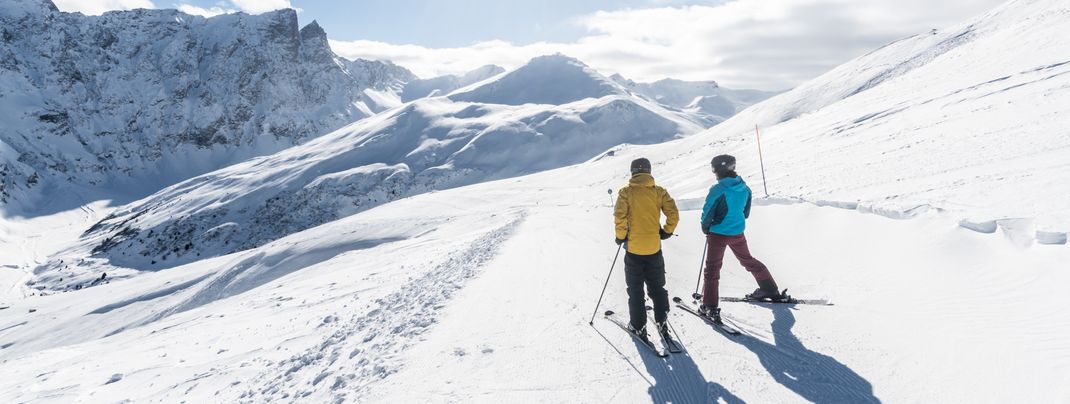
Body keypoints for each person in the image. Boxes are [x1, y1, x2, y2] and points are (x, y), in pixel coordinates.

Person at [698, 154, 783, 323]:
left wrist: (706, 227)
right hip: (737, 233)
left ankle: (709, 306)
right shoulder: (744, 187)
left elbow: (707, 212)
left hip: (718, 234)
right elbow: (746, 213)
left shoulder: (718, 189)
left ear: (717, 170)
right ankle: (770, 289)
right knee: (748, 260)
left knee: (712, 269)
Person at [613, 158, 679, 341]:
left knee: (635, 289)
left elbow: (620, 217)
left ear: (633, 172)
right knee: (658, 287)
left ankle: (638, 325)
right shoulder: (659, 192)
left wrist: (620, 236)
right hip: (654, 248)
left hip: (634, 249)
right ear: (649, 171)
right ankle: (662, 320)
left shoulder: (626, 193)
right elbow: (673, 213)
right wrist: (667, 231)